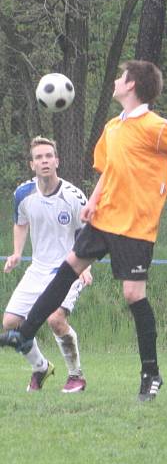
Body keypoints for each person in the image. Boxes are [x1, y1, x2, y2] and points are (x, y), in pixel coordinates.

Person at [0, 60, 167, 401]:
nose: (115, 81)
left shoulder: (156, 126)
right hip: (104, 219)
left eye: (120, 76)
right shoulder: (113, 127)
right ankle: (24, 334)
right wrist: (94, 200)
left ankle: (151, 373)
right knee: (67, 270)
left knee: (134, 296)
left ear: (131, 85)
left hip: (136, 225)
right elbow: (109, 171)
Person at [4, 136, 91, 393]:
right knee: (9, 323)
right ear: (32, 164)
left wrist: (85, 267)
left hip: (69, 268)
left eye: (48, 156)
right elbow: (20, 223)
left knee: (55, 319)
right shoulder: (22, 194)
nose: (44, 161)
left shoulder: (74, 197)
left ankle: (76, 376)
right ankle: (41, 367)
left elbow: (87, 235)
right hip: (38, 268)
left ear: (57, 161)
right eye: (39, 157)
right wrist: (17, 253)